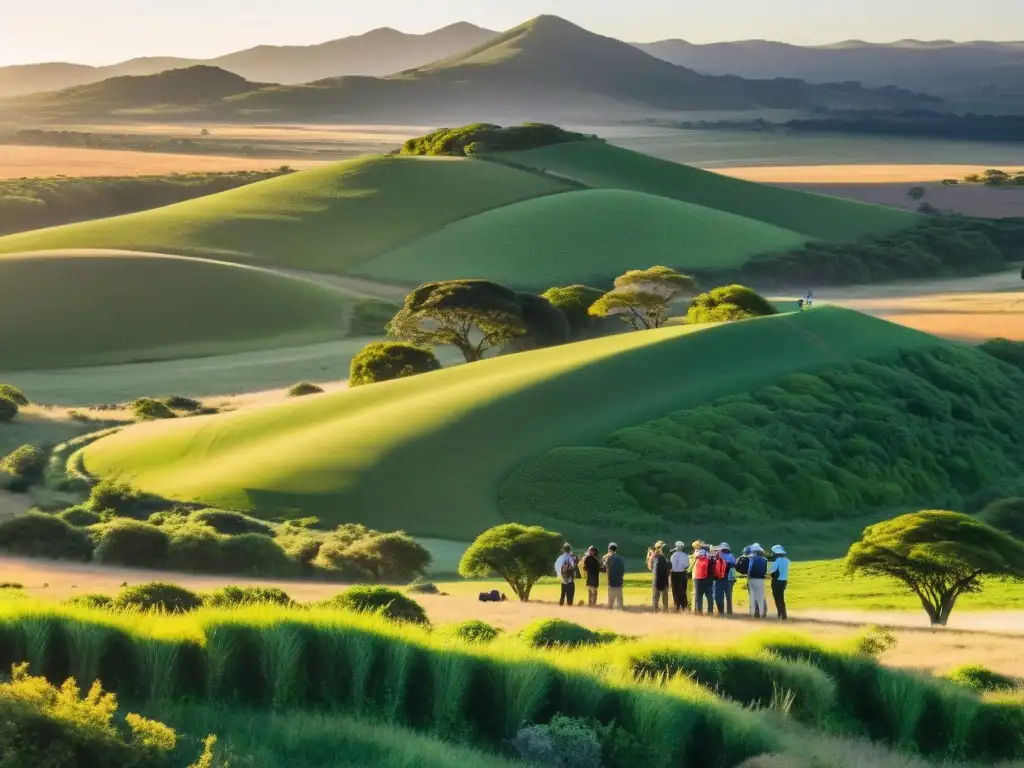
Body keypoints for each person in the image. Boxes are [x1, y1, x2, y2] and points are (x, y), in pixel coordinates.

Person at [713, 542, 737, 616]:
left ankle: (721, 611)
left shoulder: (719, 556)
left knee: (719, 595)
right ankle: (729, 611)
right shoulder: (731, 557)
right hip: (730, 579)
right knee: (728, 596)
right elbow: (734, 566)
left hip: (720, 578)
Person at [747, 544, 769, 618]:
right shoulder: (765, 560)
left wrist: (748, 575)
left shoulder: (752, 558)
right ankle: (764, 611)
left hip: (752, 578)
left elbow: (750, 568)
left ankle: (756, 612)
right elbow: (765, 570)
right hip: (761, 579)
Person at [769, 544, 791, 620]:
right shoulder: (787, 561)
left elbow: (772, 571)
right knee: (781, 597)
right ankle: (783, 614)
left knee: (777, 598)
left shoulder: (776, 561)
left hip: (776, 582)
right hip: (784, 581)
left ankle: (780, 614)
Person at [647, 541, 669, 612]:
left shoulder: (658, 556)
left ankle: (657, 611)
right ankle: (659, 611)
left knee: (658, 597)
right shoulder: (658, 556)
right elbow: (650, 567)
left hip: (659, 578)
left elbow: (650, 567)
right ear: (659, 548)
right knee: (660, 597)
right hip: (661, 578)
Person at [691, 547, 714, 615]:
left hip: (698, 580)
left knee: (698, 597)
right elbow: (712, 570)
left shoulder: (696, 559)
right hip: (708, 580)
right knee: (709, 597)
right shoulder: (710, 560)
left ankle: (699, 612)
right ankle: (710, 612)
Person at [604, 543, 626, 610]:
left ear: (609, 549)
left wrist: (606, 556)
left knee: (611, 603)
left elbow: (605, 565)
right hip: (619, 582)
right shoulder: (620, 558)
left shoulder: (609, 558)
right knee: (620, 602)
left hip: (611, 582)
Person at [669, 541, 690, 612]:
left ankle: (676, 605)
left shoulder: (673, 555)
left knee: (675, 590)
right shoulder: (685, 555)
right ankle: (684, 605)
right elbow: (687, 566)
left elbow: (671, 565)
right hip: (682, 573)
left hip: (674, 574)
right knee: (683, 589)